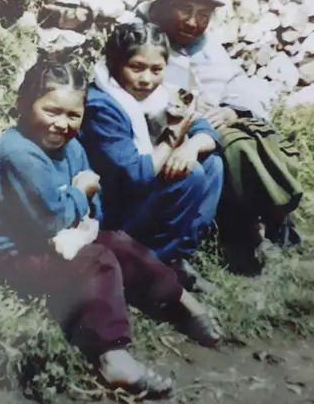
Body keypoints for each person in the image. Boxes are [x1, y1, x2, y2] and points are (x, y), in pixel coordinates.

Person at [0, 60, 222, 399]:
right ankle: (112, 355)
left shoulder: (72, 147)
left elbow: (89, 208)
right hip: (7, 256)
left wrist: (85, 202)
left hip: (51, 237)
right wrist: (80, 194)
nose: (61, 124)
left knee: (120, 244)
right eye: (51, 111)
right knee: (96, 258)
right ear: (23, 104)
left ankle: (181, 303)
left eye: (73, 115)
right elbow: (49, 222)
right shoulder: (18, 155)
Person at [139, 0, 306, 270]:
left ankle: (270, 222)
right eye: (185, 10)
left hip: (207, 121)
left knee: (258, 137)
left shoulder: (204, 45)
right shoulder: (143, 35)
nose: (193, 22)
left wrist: (230, 110)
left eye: (203, 15)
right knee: (236, 147)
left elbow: (235, 83)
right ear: (165, 3)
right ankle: (245, 234)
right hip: (169, 128)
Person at [78, 22, 225, 294]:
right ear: (115, 64)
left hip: (143, 195)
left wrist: (190, 146)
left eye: (156, 69)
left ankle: (178, 257)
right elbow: (135, 175)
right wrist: (172, 137)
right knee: (191, 175)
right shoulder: (104, 106)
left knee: (211, 162)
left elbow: (205, 130)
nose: (146, 79)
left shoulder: (163, 95)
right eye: (136, 68)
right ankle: (145, 265)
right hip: (113, 209)